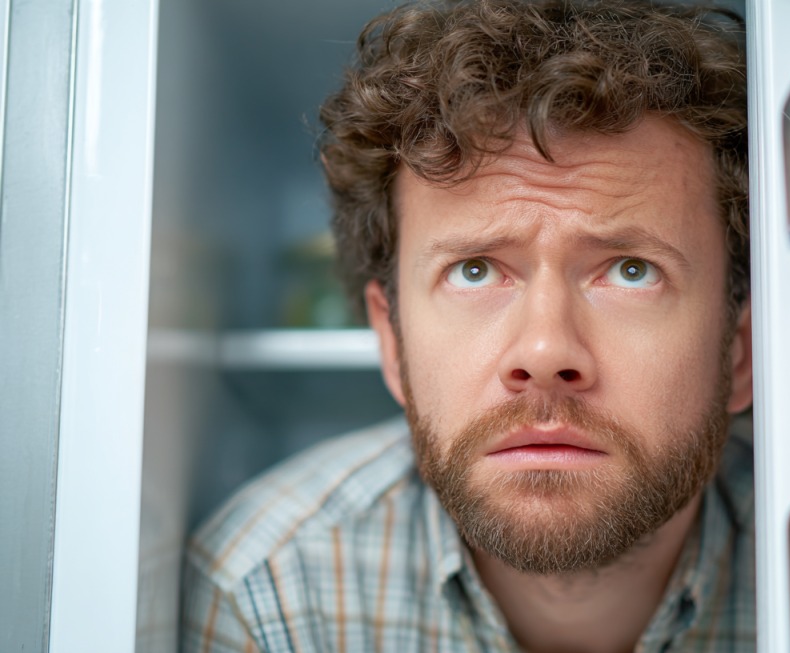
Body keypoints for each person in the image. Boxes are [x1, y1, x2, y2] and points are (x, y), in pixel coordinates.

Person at [182, 1, 753, 651]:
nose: (543, 351)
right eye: (475, 271)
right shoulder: (268, 594)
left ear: (739, 352)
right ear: (391, 343)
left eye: (629, 270)